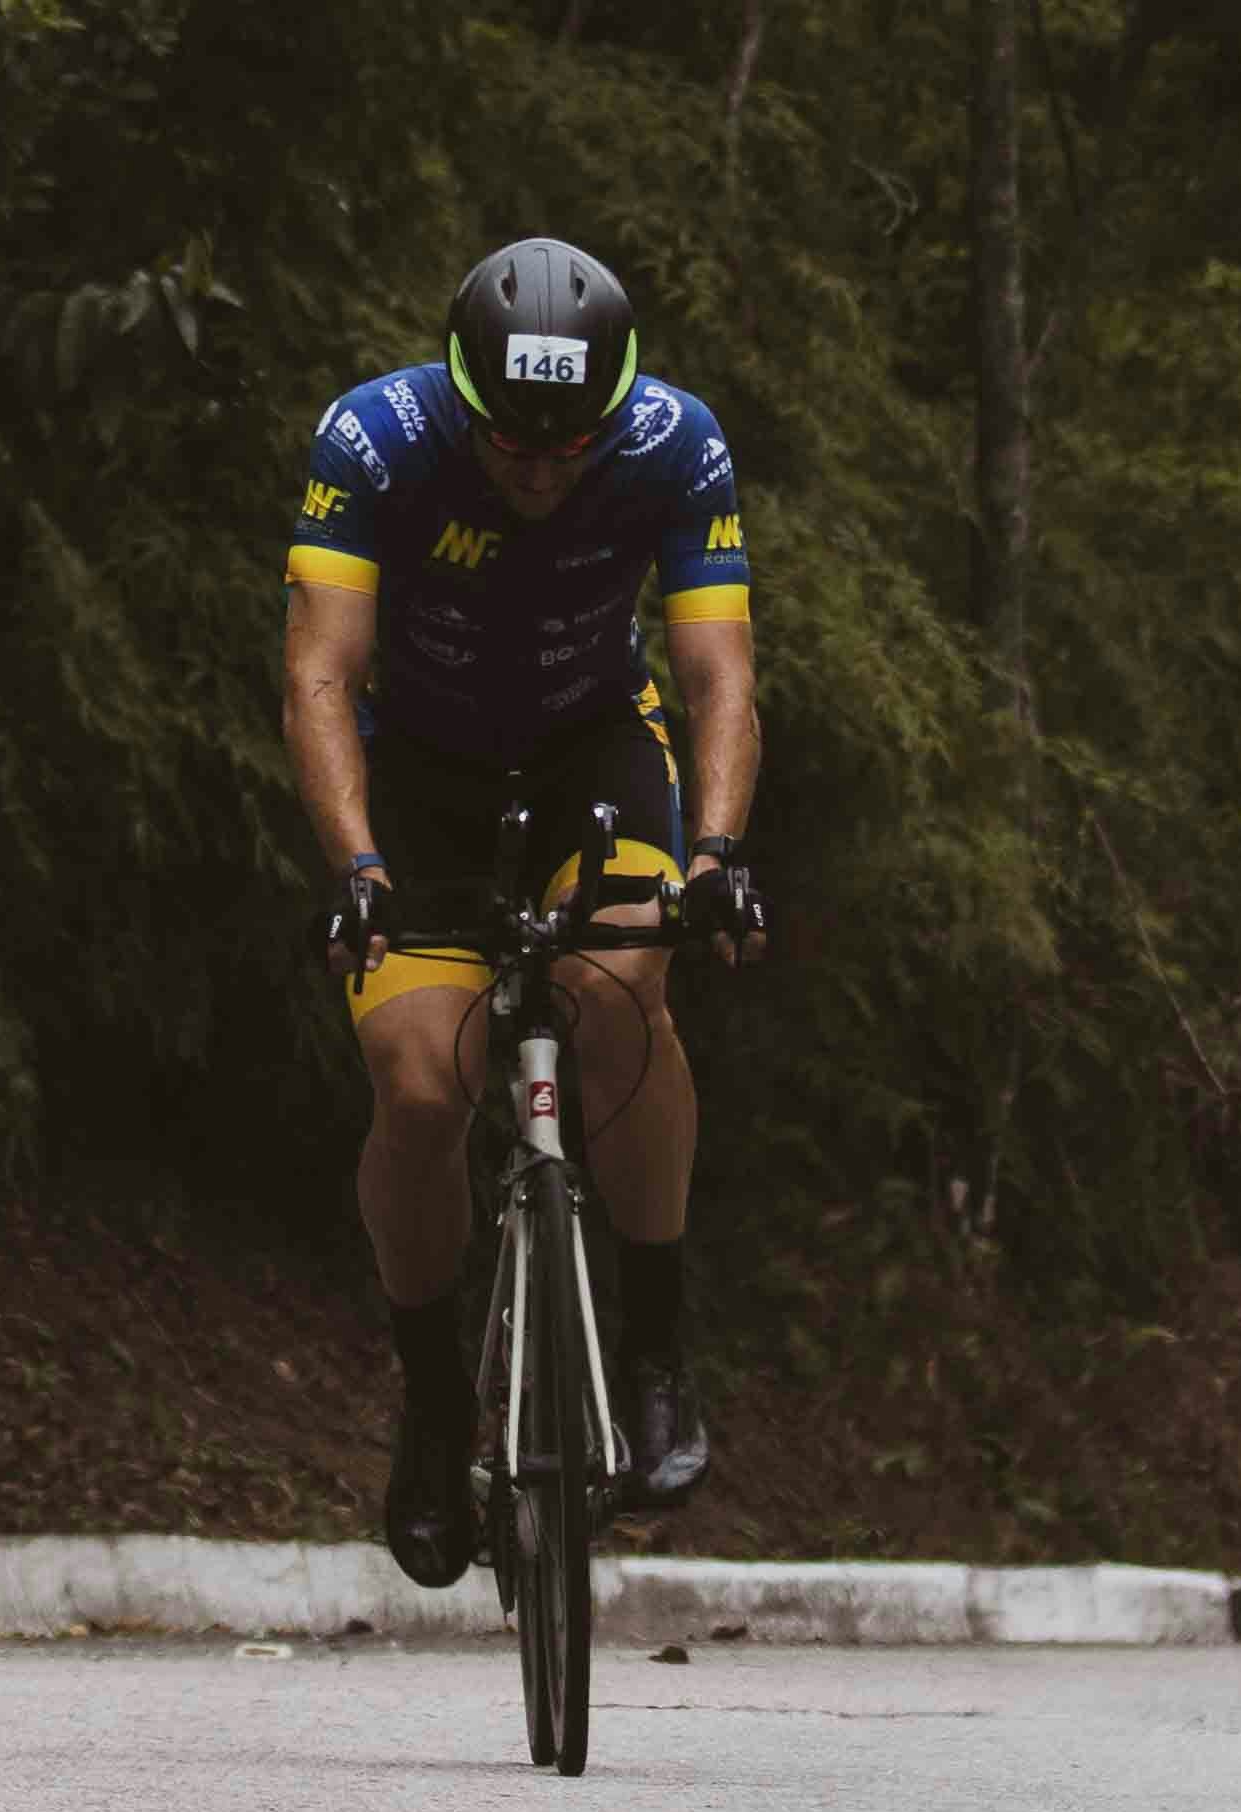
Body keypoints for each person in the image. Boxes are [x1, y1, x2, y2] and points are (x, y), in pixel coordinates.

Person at [282, 237, 765, 1588]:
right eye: (512, 447)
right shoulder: (372, 441)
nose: (542, 471)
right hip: (424, 777)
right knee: (422, 1091)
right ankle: (435, 1407)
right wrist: (360, 866)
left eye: (571, 448)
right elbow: (321, 676)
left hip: (591, 758)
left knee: (623, 990)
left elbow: (718, 673)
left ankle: (658, 1348)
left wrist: (720, 848)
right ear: (458, 395)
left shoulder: (676, 443)